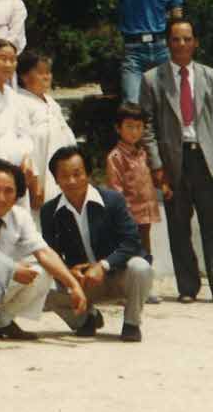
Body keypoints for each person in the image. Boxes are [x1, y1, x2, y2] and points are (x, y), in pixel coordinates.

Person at [141, 21, 213, 306]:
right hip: (174, 160)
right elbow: (147, 128)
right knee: (179, 225)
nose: (181, 44)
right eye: (175, 39)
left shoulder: (210, 76)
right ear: (167, 43)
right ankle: (187, 286)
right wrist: (157, 166)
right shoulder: (152, 79)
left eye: (187, 39)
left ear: (195, 42)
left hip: (207, 159)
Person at [0, 160, 88, 343]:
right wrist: (10, 267)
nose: (1, 197)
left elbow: (44, 252)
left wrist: (73, 285)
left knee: (42, 270)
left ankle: (1, 323)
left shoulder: (20, 216)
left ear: (18, 194)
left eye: (9, 191)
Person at [38, 146, 153, 342]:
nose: (72, 181)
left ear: (88, 174)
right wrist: (68, 273)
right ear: (56, 179)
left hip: (118, 276)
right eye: (64, 176)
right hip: (83, 283)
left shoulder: (112, 200)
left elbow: (132, 242)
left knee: (140, 267)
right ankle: (85, 319)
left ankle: (132, 323)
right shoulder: (49, 211)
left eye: (77, 174)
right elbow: (51, 253)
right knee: (40, 285)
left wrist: (104, 265)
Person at [7, 49, 74, 209]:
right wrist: (34, 184)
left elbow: (68, 137)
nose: (47, 77)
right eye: (40, 73)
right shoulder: (19, 102)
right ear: (24, 76)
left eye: (48, 72)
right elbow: (24, 145)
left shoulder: (51, 102)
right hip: (39, 177)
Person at [106, 102, 162, 277]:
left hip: (146, 211)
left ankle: (146, 283)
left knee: (146, 247)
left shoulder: (144, 153)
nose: (134, 132)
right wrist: (123, 213)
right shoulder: (116, 157)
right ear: (118, 128)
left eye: (139, 127)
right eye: (129, 127)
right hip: (129, 214)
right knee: (130, 249)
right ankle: (128, 285)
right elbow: (115, 188)